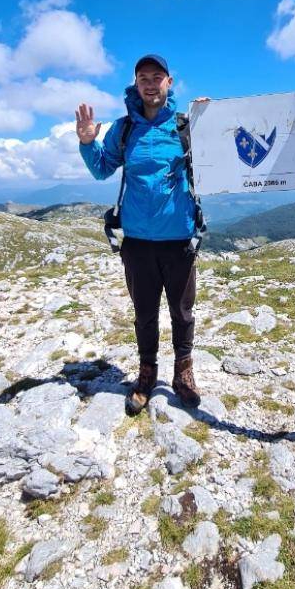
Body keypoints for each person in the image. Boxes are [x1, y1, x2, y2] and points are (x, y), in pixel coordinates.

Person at [75, 54, 209, 416]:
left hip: (179, 238)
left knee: (182, 312)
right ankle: (147, 374)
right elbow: (102, 169)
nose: (150, 84)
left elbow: (220, 155)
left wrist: (211, 119)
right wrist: (88, 142)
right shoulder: (124, 129)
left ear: (169, 82)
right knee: (145, 313)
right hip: (136, 242)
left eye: (157, 77)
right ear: (136, 84)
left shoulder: (185, 126)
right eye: (143, 78)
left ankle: (183, 373)